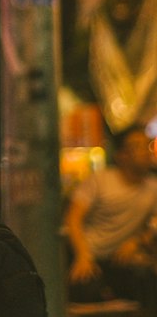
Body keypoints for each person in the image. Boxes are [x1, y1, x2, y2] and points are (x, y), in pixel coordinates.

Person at [67, 124, 157, 301]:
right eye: (137, 146)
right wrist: (82, 255)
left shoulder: (152, 187)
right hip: (89, 254)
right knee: (85, 291)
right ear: (121, 155)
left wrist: (138, 241)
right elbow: (73, 218)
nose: (146, 152)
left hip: (121, 259)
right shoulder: (100, 180)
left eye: (147, 145)